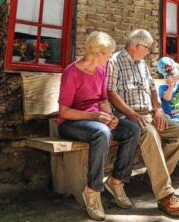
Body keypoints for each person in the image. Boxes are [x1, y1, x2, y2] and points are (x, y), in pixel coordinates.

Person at [57, 31, 142, 221]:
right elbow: (64, 112)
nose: (110, 57)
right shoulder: (72, 73)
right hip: (71, 123)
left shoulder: (102, 71)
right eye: (108, 54)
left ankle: (117, 181)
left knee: (132, 129)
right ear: (97, 54)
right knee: (102, 132)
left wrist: (111, 117)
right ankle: (92, 191)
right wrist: (96, 116)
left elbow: (103, 100)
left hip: (95, 121)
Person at [107, 29, 179, 217]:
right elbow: (110, 93)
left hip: (150, 114)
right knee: (151, 134)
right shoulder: (114, 61)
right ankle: (165, 195)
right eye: (148, 48)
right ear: (137, 46)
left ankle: (151, 178)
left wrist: (159, 110)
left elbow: (153, 89)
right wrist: (130, 114)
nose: (149, 51)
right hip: (127, 117)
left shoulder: (142, 64)